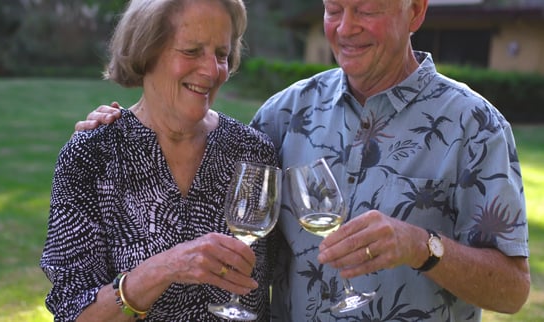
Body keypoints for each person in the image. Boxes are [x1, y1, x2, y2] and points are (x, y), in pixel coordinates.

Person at [76, 0, 531, 321]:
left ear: (415, 11)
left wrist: (422, 247)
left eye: (367, 10)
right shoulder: (283, 114)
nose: (345, 27)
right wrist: (126, 123)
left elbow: (513, 290)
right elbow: (213, 154)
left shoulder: (475, 125)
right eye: (333, 10)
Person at [40, 0, 279, 321]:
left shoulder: (252, 152)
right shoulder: (93, 156)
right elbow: (73, 313)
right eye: (192, 51)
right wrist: (165, 268)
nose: (211, 70)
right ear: (147, 51)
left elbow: (273, 287)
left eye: (221, 55)